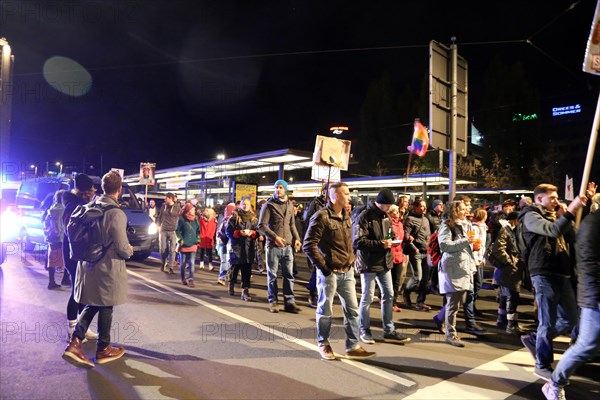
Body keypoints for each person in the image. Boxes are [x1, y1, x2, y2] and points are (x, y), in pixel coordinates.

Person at [62, 171, 133, 369]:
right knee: (106, 305)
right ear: (119, 190)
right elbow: (122, 247)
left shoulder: (89, 206)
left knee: (94, 303)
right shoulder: (115, 212)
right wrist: (130, 250)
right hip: (107, 267)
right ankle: (103, 348)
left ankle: (75, 342)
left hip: (87, 264)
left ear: (102, 188)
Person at [519, 183, 587, 381]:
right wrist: (570, 211)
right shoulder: (530, 216)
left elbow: (573, 237)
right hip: (543, 272)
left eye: (557, 197)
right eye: (553, 198)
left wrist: (568, 215)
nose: (557, 201)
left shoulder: (555, 216)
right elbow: (552, 231)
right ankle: (542, 364)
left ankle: (534, 340)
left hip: (562, 272)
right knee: (547, 322)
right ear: (540, 199)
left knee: (571, 318)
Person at [303, 182, 376, 360]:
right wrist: (324, 268)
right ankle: (324, 343)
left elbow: (349, 243)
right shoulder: (321, 217)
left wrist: (353, 260)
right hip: (330, 272)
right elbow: (308, 244)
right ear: (335, 196)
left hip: (347, 271)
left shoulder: (347, 217)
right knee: (325, 310)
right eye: (346, 193)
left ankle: (352, 346)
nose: (349, 196)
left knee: (352, 310)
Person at [542, 193, 600, 399]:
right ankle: (555, 382)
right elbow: (587, 263)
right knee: (586, 344)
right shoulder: (593, 224)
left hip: (586, 288)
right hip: (594, 292)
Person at [354, 188, 411, 344]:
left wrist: (392, 239)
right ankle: (364, 330)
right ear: (381, 203)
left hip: (384, 262)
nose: (390, 209)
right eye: (388, 206)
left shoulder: (385, 216)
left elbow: (389, 234)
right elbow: (358, 241)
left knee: (389, 295)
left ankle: (389, 330)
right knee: (367, 297)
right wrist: (381, 244)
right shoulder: (364, 217)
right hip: (369, 263)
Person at [61, 173, 99, 342]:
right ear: (85, 192)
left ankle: (82, 328)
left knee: (83, 291)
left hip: (79, 253)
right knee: (76, 292)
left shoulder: (77, 204)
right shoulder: (74, 207)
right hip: (74, 255)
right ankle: (72, 330)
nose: (93, 193)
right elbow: (76, 234)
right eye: (91, 190)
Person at [434, 200, 477, 347]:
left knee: (459, 301)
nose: (466, 211)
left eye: (466, 208)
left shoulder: (467, 224)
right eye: (463, 209)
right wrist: (466, 241)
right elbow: (444, 245)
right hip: (453, 268)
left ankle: (440, 318)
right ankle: (451, 335)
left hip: (464, 267)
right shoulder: (447, 225)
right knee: (454, 304)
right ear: (454, 211)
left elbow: (467, 246)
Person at [258, 179, 302, 314]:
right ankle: (273, 301)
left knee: (289, 275)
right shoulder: (269, 205)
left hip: (288, 246)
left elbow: (292, 224)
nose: (278, 190)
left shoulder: (289, 204)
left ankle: (289, 302)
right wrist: (275, 237)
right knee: (272, 275)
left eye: (281, 187)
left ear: (285, 189)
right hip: (273, 246)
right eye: (276, 187)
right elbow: (261, 225)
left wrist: (297, 238)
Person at [490, 211, 525, 335]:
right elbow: (498, 248)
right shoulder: (506, 230)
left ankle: (501, 320)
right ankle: (511, 325)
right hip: (509, 269)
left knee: (506, 296)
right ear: (514, 220)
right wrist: (510, 261)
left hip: (508, 269)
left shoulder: (511, 230)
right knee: (512, 296)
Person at [403, 198, 433, 311]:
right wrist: (414, 248)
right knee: (417, 277)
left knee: (425, 279)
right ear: (415, 207)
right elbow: (406, 236)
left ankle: (420, 302)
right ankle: (406, 292)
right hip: (416, 252)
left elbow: (428, 235)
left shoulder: (426, 219)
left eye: (425, 206)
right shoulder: (410, 219)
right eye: (421, 206)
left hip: (426, 252)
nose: (424, 208)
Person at [226, 198, 258, 301]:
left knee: (247, 270)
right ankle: (231, 283)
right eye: (243, 204)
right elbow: (228, 231)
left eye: (247, 204)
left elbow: (259, 231)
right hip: (237, 247)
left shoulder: (254, 218)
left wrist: (253, 233)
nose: (245, 206)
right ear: (240, 205)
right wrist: (239, 233)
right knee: (235, 268)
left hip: (249, 248)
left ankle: (245, 290)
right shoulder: (234, 217)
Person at [42, 190, 66, 290]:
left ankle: (51, 281)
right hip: (61, 238)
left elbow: (45, 222)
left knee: (52, 260)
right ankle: (66, 279)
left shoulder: (51, 209)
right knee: (65, 259)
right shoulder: (64, 209)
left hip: (52, 237)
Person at [176, 203, 200, 287]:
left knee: (192, 263)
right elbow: (177, 231)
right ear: (188, 210)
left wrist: (198, 238)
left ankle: (191, 279)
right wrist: (180, 239)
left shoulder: (196, 219)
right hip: (184, 245)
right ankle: (183, 278)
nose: (194, 211)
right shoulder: (181, 219)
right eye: (192, 209)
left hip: (193, 244)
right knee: (183, 263)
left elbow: (198, 230)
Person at [388, 204, 407, 312]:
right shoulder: (387, 223)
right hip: (390, 254)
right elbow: (387, 236)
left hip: (399, 254)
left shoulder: (400, 224)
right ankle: (387, 300)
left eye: (397, 211)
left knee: (397, 280)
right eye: (394, 211)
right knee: (389, 280)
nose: (396, 213)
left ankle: (394, 301)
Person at [157, 193, 180, 274]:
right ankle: (163, 263)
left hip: (173, 231)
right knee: (163, 249)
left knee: (172, 250)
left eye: (166, 198)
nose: (165, 200)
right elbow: (160, 216)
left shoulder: (177, 207)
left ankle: (171, 267)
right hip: (163, 230)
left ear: (170, 198)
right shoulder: (164, 206)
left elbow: (180, 218)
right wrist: (158, 226)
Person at [216, 202, 236, 286]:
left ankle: (226, 276)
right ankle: (222, 277)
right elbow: (220, 231)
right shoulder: (224, 220)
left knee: (228, 261)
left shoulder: (232, 220)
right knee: (225, 260)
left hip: (229, 242)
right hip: (225, 242)